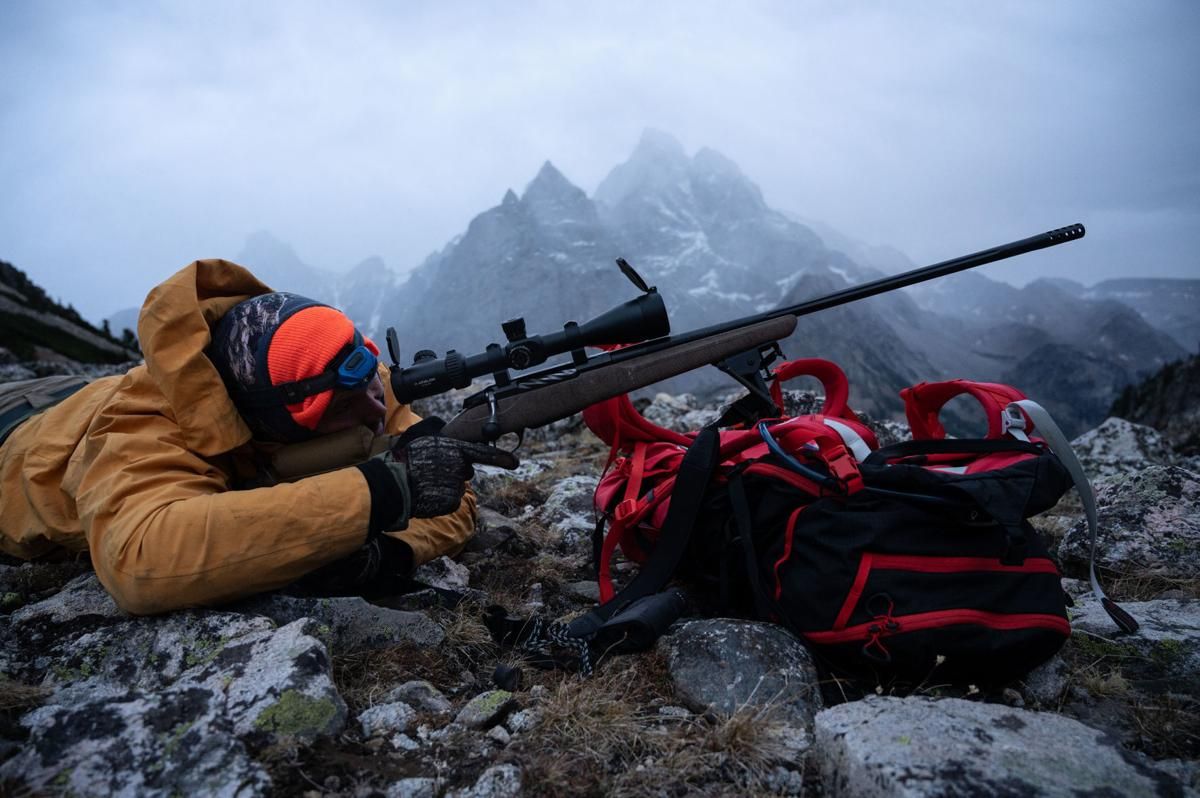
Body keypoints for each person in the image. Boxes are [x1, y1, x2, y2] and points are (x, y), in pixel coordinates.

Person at [0, 259, 515, 614]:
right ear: (275, 420)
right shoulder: (140, 427)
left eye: (370, 379)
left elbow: (448, 493)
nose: (375, 405)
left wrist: (388, 554)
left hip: (79, 390)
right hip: (20, 429)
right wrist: (378, 493)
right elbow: (141, 558)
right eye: (342, 406)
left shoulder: (347, 373)